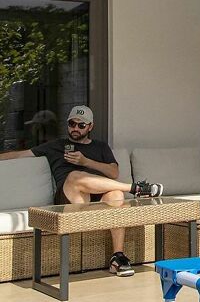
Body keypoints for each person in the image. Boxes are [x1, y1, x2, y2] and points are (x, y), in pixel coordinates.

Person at [0, 105, 164, 277]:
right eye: (72, 124)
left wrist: (86, 161)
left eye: (81, 125)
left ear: (90, 127)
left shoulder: (101, 147)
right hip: (70, 199)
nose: (75, 128)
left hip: (95, 201)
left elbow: (114, 172)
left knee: (116, 195)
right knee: (74, 176)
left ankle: (118, 257)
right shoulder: (57, 145)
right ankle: (136, 188)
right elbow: (20, 155)